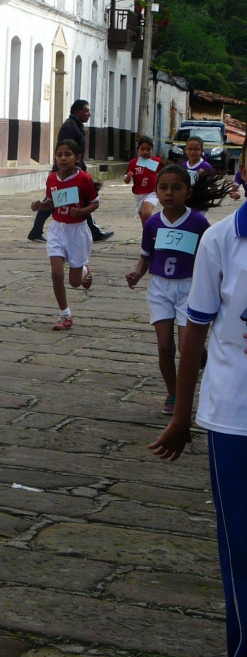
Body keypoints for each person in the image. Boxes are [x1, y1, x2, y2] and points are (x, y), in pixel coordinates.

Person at [148, 194, 247, 657]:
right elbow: (196, 330)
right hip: (234, 417)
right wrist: (182, 415)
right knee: (241, 549)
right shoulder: (222, 239)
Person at [126, 165, 229, 413]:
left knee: (186, 349)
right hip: (160, 287)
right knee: (165, 347)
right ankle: (172, 393)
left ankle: (186, 393)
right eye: (163, 188)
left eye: (176, 188)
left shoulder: (198, 222)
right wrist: (138, 273)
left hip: (189, 287)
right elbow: (147, 254)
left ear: (188, 193)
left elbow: (210, 257)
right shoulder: (152, 224)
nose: (169, 193)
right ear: (156, 191)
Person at [29, 138, 99, 331]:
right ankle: (65, 314)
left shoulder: (83, 179)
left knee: (75, 283)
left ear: (77, 158)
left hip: (77, 231)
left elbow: (95, 202)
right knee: (56, 273)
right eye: (59, 155)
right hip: (58, 229)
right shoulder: (52, 179)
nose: (63, 158)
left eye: (67, 154)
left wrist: (82, 212)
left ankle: (84, 271)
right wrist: (41, 205)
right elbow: (52, 201)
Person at [27, 99, 113, 243]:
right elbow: (66, 149)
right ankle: (36, 231)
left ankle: (94, 231)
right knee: (57, 200)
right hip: (66, 171)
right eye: (86, 111)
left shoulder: (76, 126)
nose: (89, 114)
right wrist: (72, 166)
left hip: (74, 169)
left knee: (75, 198)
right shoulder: (70, 126)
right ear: (77, 112)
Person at [125, 135, 165, 225]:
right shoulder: (134, 162)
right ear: (137, 149)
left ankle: (156, 225)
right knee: (144, 219)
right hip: (138, 194)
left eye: (148, 149)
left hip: (152, 192)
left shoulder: (156, 161)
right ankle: (148, 234)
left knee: (146, 213)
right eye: (142, 149)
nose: (145, 152)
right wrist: (128, 177)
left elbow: (163, 174)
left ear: (152, 149)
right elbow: (126, 181)